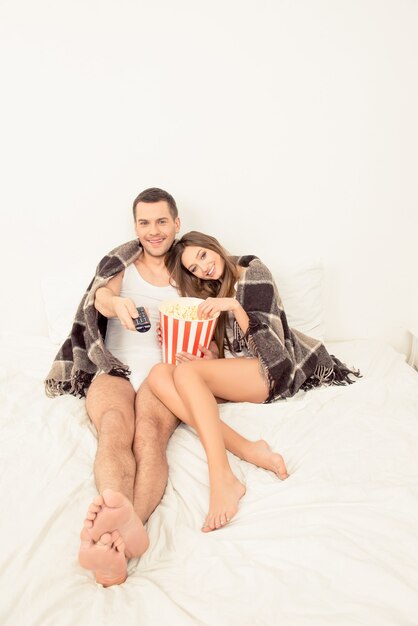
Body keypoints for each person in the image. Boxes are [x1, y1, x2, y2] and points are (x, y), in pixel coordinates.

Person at [147, 231, 360, 533]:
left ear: (214, 247)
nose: (203, 268)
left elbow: (271, 351)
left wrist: (233, 306)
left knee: (184, 376)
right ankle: (249, 449)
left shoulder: (254, 274)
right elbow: (224, 349)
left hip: (272, 371)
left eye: (203, 256)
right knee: (159, 374)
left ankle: (221, 476)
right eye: (194, 269)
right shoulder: (213, 287)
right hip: (243, 371)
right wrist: (203, 353)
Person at [44, 188, 205, 586]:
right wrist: (118, 307)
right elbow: (101, 298)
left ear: (176, 224)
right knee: (115, 427)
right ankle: (125, 537)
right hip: (115, 367)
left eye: (162, 222)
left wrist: (199, 356)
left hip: (161, 375)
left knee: (148, 436)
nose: (154, 231)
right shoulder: (122, 263)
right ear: (136, 226)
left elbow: (208, 329)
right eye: (145, 223)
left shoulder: (189, 269)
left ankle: (113, 541)